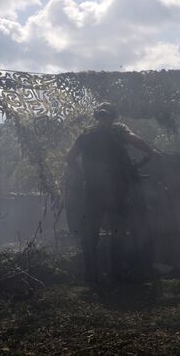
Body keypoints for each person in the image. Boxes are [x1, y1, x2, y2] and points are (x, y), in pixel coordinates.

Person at [66, 102, 158, 283]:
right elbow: (137, 141)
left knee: (93, 232)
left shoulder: (87, 135)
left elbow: (70, 157)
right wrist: (152, 152)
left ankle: (93, 274)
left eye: (105, 116)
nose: (105, 120)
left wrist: (83, 177)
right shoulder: (117, 132)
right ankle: (115, 271)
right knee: (117, 231)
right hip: (116, 191)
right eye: (104, 116)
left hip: (96, 190)